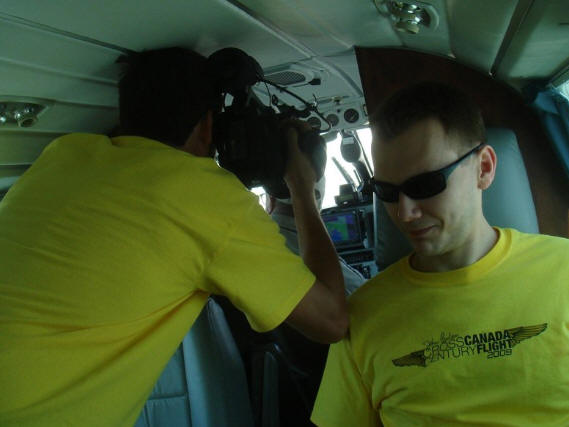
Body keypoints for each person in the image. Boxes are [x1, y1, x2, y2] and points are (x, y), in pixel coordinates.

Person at [0, 47, 348, 426]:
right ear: (207, 126)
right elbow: (331, 323)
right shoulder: (209, 199)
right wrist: (302, 188)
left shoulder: (65, 153)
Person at [311, 82, 569, 426]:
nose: (405, 213)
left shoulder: (563, 270)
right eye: (387, 192)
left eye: (425, 185)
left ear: (484, 168)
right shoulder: (363, 317)